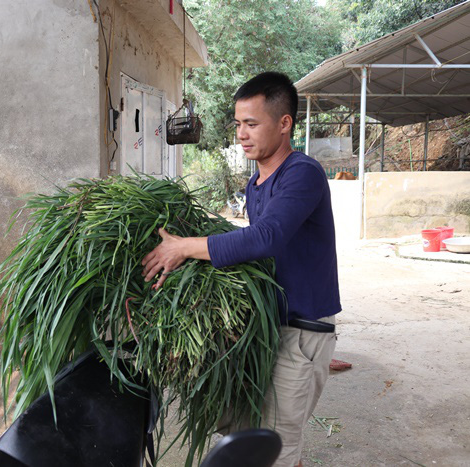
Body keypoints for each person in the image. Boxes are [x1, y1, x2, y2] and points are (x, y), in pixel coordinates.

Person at [141, 71, 341, 467]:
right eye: (238, 124)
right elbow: (255, 251)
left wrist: (185, 248)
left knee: (277, 451)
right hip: (265, 326)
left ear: (284, 123)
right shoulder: (255, 183)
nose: (242, 134)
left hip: (300, 330)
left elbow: (266, 238)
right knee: (253, 441)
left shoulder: (302, 173)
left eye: (252, 123)